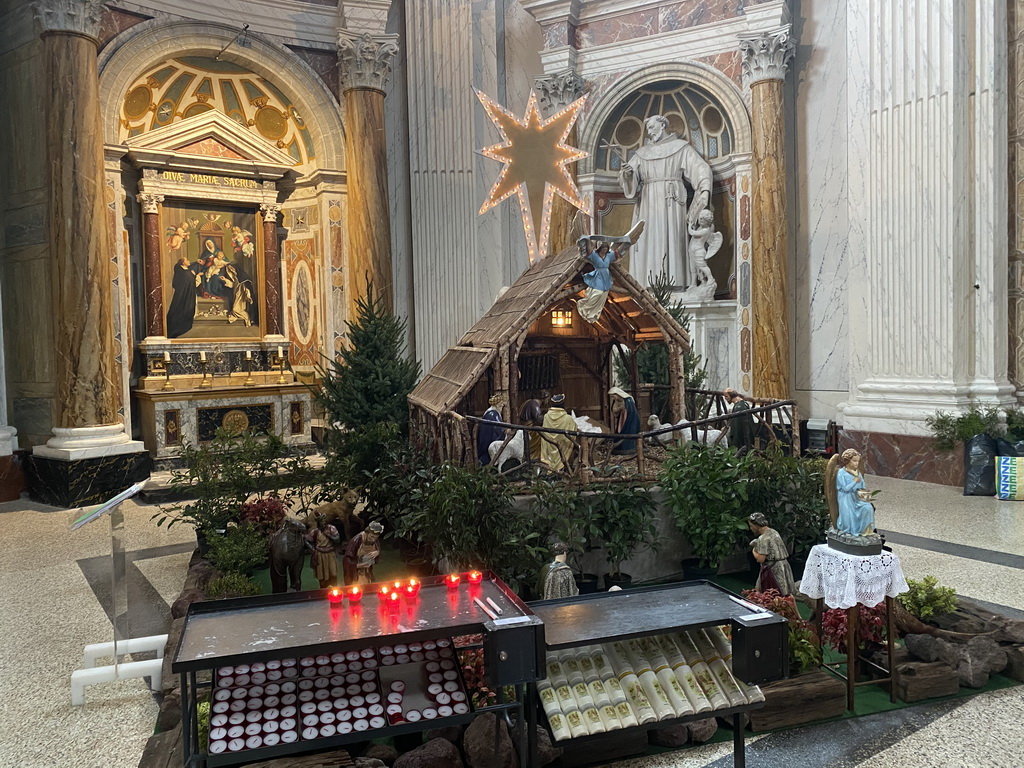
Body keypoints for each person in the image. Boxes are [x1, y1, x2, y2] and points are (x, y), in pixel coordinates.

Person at [618, 115, 713, 288]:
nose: (649, 132)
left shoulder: (681, 148)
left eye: (652, 127)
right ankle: (646, 284)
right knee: (647, 239)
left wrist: (704, 189)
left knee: (673, 238)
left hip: (672, 202)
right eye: (648, 129)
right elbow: (630, 180)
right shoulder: (642, 153)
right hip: (647, 202)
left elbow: (701, 168)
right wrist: (628, 174)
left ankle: (676, 283)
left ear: (662, 125)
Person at [827, 449, 876, 537]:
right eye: (854, 461)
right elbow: (845, 488)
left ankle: (865, 531)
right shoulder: (841, 473)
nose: (856, 463)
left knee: (868, 508)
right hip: (845, 498)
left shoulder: (857, 473)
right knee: (848, 517)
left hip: (856, 497)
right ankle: (848, 531)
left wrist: (864, 493)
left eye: (858, 461)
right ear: (847, 461)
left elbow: (863, 485)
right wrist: (854, 481)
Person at [747, 512, 797, 596]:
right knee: (786, 594)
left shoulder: (763, 538)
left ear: (757, 525)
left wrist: (754, 550)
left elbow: (760, 559)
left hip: (773, 569)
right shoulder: (774, 532)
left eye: (751, 526)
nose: (751, 528)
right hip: (783, 565)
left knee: (776, 595)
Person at [166, 255, 200, 338]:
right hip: (182, 294)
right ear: (182, 262)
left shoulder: (187, 270)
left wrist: (195, 275)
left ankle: (184, 326)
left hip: (189, 294)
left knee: (189, 309)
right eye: (186, 260)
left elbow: (191, 280)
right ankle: (175, 329)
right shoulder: (180, 270)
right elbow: (179, 282)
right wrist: (192, 276)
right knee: (179, 309)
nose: (188, 261)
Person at [686, 209, 722, 289]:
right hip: (692, 250)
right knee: (693, 268)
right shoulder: (700, 228)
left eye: (703, 219)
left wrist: (689, 225)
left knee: (702, 266)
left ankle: (710, 278)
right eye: (700, 218)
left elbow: (692, 233)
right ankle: (693, 283)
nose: (700, 219)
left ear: (708, 221)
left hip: (699, 251)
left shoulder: (706, 230)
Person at [541, 394, 577, 471]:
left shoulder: (546, 416)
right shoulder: (568, 418)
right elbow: (573, 431)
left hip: (549, 445)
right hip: (562, 445)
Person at [342, 520, 384, 585]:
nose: (373, 539)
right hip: (356, 573)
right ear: (367, 533)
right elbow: (347, 559)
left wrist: (377, 552)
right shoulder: (356, 540)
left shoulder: (374, 540)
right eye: (371, 537)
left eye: (375, 538)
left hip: (367, 570)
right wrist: (357, 565)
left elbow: (377, 548)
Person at [306, 514, 341, 588]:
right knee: (321, 574)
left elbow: (337, 540)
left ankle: (334, 588)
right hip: (320, 555)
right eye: (322, 521)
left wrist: (329, 535)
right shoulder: (315, 531)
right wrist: (313, 549)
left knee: (333, 572)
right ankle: (323, 588)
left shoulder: (331, 528)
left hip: (330, 554)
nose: (324, 522)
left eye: (324, 520)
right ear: (319, 523)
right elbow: (307, 540)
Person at [520, 390, 550, 462]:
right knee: (543, 437)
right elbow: (539, 419)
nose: (547, 401)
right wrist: (548, 416)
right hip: (529, 430)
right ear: (544, 398)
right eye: (547, 399)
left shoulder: (529, 402)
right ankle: (535, 458)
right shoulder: (534, 404)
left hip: (525, 427)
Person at [608, 386, 640, 454]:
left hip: (630, 420)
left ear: (617, 394)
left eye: (613, 396)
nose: (613, 398)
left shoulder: (628, 400)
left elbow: (631, 411)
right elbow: (614, 410)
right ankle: (620, 446)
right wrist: (619, 409)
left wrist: (623, 410)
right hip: (622, 419)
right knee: (621, 432)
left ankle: (629, 448)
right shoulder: (616, 401)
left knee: (629, 432)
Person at [477, 393, 506, 465]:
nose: (502, 405)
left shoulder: (491, 413)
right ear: (497, 404)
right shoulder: (493, 414)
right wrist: (504, 431)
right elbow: (498, 428)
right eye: (501, 403)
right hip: (490, 441)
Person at [724, 388, 755, 454]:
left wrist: (735, 441)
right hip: (748, 438)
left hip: (741, 441)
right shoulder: (744, 404)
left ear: (730, 396)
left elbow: (737, 428)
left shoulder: (738, 407)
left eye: (726, 396)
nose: (725, 399)